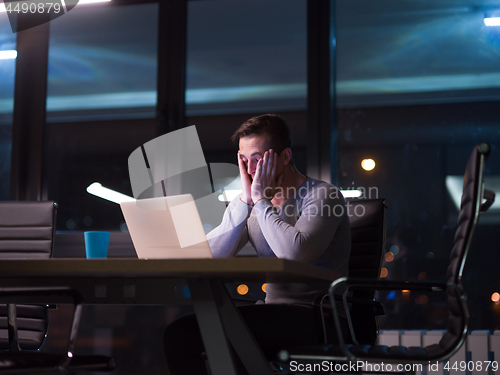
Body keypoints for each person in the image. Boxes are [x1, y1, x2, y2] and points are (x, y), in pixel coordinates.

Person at [163, 114, 351, 375]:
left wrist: (261, 201)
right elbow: (212, 257)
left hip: (320, 317)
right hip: (274, 311)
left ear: (284, 157)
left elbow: (294, 254)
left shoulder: (323, 195)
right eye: (243, 160)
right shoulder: (251, 204)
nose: (250, 170)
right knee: (178, 334)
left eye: (258, 159)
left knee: (224, 337)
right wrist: (245, 201)